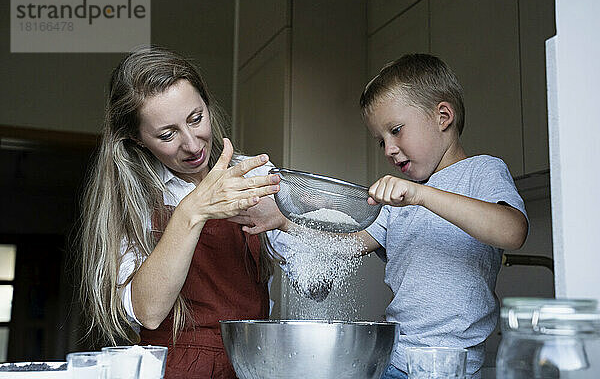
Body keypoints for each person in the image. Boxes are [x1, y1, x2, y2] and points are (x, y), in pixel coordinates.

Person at [257, 54, 528, 379]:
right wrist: (285, 223)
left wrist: (420, 194)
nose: (388, 148)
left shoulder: (480, 172)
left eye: (396, 131)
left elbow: (513, 231)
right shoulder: (399, 201)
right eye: (381, 140)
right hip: (393, 361)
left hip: (449, 367)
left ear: (443, 116)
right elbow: (346, 247)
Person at [78, 45, 296, 379]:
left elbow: (318, 285)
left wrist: (283, 222)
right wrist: (192, 210)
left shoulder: (250, 178)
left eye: (196, 119)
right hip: (180, 368)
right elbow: (148, 313)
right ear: (137, 139)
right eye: (167, 134)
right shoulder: (134, 203)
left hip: (256, 364)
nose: (193, 145)